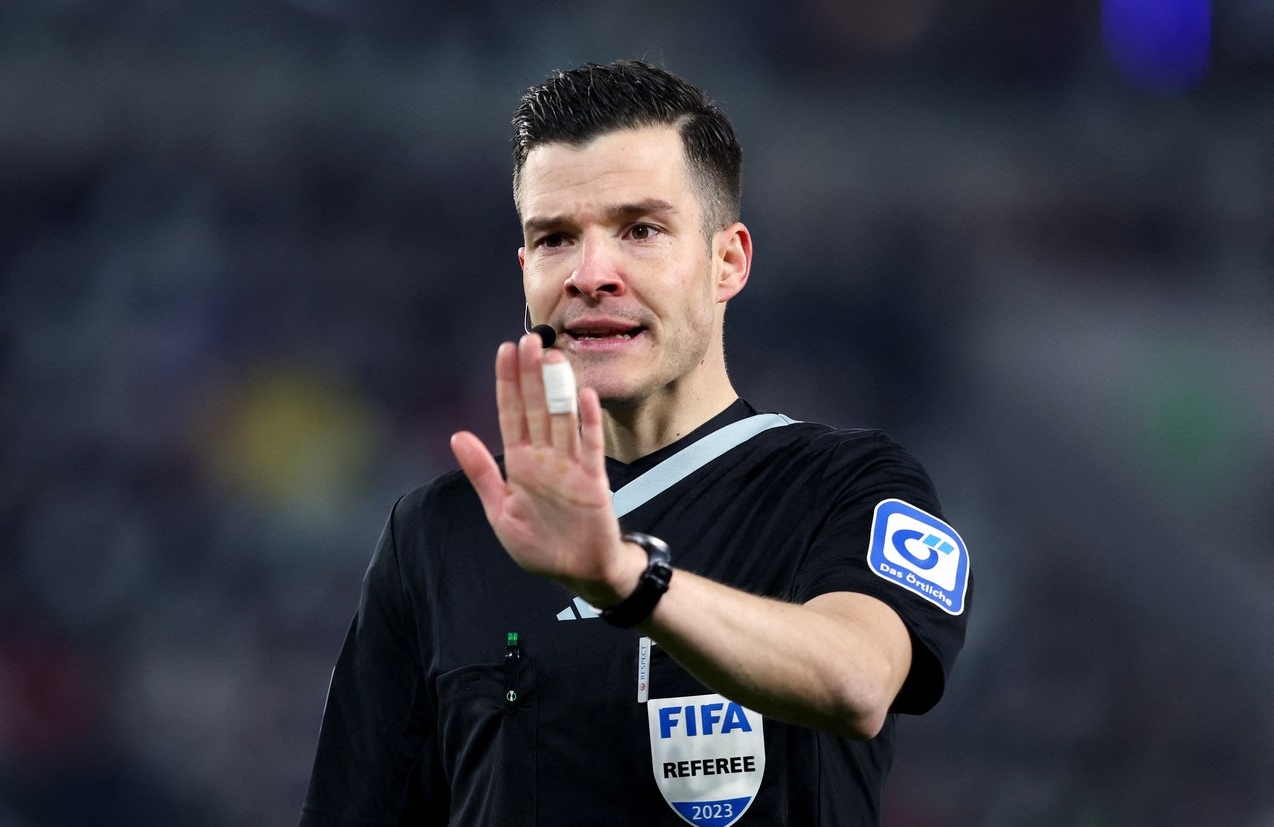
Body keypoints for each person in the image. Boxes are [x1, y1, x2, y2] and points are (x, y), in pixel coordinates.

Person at [299, 60, 971, 827]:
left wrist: (626, 578)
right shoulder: (437, 533)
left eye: (640, 230)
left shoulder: (846, 486)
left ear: (728, 261)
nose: (591, 274)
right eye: (554, 239)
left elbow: (857, 680)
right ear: (526, 272)